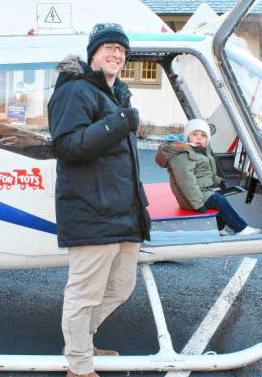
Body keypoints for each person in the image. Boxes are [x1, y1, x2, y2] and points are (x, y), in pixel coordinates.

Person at [48, 23, 151, 377]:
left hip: (123, 214)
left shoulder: (116, 95)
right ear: (92, 53)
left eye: (121, 49)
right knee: (84, 293)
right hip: (91, 213)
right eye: (108, 47)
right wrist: (119, 123)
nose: (116, 54)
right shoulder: (75, 91)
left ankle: (81, 342)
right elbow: (68, 147)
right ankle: (78, 366)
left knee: (122, 286)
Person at [155, 119, 259, 236]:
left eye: (203, 135)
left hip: (200, 192)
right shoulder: (183, 155)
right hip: (189, 199)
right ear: (187, 137)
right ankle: (240, 228)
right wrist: (198, 203)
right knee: (219, 201)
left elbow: (204, 174)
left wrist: (219, 181)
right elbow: (186, 183)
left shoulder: (200, 151)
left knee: (221, 197)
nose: (199, 138)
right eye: (195, 134)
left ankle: (219, 228)